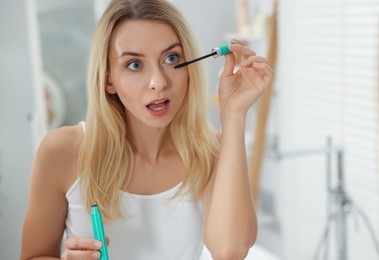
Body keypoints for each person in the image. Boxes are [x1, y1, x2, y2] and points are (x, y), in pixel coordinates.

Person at [20, 0, 274, 259]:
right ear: (108, 79)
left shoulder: (212, 152)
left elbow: (230, 251)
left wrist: (233, 115)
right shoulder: (62, 151)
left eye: (171, 58)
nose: (158, 83)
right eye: (134, 65)